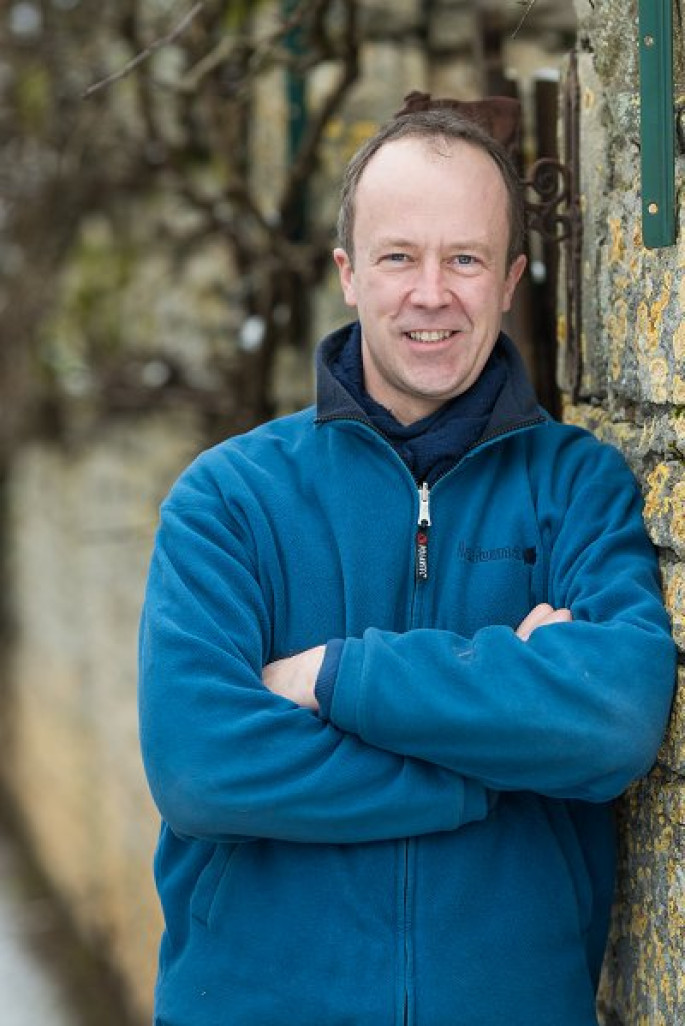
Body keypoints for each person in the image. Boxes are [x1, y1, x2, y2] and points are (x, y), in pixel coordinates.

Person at [138, 103, 676, 1026]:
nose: (430, 293)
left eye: (463, 259)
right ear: (348, 274)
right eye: (398, 257)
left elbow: (616, 717)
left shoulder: (575, 487)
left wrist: (335, 676)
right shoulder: (228, 499)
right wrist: (492, 763)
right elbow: (200, 764)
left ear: (509, 280)